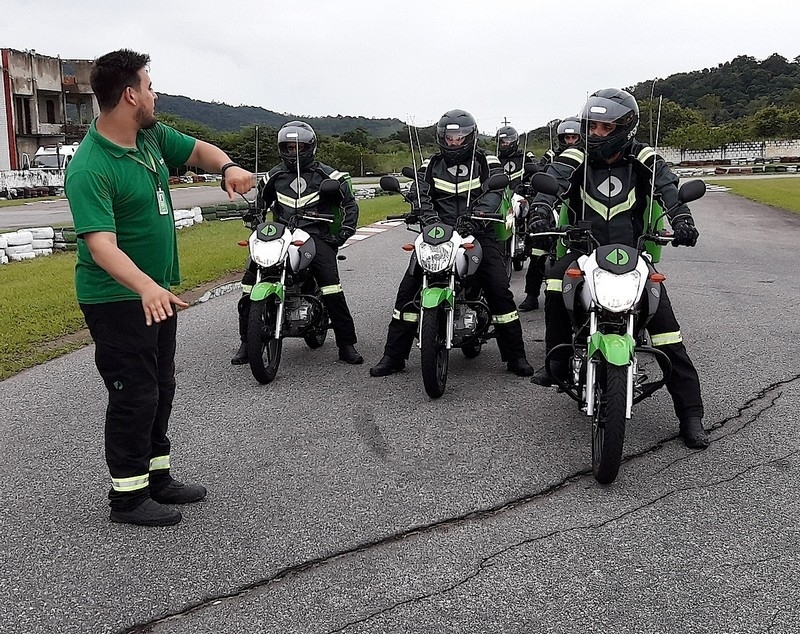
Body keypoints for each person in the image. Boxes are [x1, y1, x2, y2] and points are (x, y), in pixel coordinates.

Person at [65, 49, 255, 526]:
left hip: (156, 294)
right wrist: (146, 286)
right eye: (149, 86)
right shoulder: (91, 166)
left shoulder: (149, 137)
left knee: (161, 385)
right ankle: (126, 498)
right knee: (134, 392)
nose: (155, 94)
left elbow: (198, 151)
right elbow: (101, 245)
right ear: (130, 95)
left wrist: (228, 166)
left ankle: (157, 476)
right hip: (117, 299)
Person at [528, 88, 709, 449]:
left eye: (604, 128)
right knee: (553, 283)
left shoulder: (644, 156)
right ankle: (558, 362)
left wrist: (683, 219)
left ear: (625, 127)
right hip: (584, 251)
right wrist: (541, 209)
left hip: (634, 255)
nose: (595, 134)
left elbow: (668, 189)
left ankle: (691, 416)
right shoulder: (574, 154)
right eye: (591, 126)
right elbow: (555, 181)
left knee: (666, 332)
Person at [370, 109, 534, 378]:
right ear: (441, 137)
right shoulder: (430, 164)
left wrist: (477, 218)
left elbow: (495, 192)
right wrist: (427, 216)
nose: (454, 142)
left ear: (470, 136)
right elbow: (420, 192)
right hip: (438, 233)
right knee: (408, 288)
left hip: (478, 231)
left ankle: (515, 356)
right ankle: (393, 356)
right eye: (449, 137)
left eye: (460, 137)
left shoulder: (487, 160)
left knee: (497, 287)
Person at [231, 121, 363, 366]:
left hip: (316, 235)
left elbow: (350, 205)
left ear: (310, 147)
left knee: (330, 286)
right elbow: (261, 203)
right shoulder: (273, 176)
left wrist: (344, 232)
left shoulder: (329, 176)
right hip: (279, 235)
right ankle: (247, 342)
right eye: (288, 147)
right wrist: (254, 215)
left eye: (298, 147)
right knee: (249, 283)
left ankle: (346, 344)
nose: (293, 152)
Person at [519, 116, 583, 311]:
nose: (570, 142)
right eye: (566, 138)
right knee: (537, 249)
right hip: (552, 204)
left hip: (573, 207)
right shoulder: (551, 156)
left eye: (574, 138)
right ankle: (531, 295)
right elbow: (541, 172)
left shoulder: (588, 157)